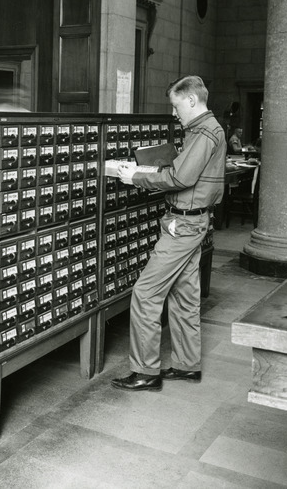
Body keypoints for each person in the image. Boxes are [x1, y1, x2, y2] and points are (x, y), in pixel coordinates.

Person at [112, 75, 226, 391]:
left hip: (184, 224)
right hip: (194, 220)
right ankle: (187, 365)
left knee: (146, 293)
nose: (174, 114)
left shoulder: (204, 132)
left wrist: (137, 175)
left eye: (176, 106)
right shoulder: (205, 130)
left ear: (191, 100)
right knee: (184, 294)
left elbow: (181, 178)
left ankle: (146, 371)